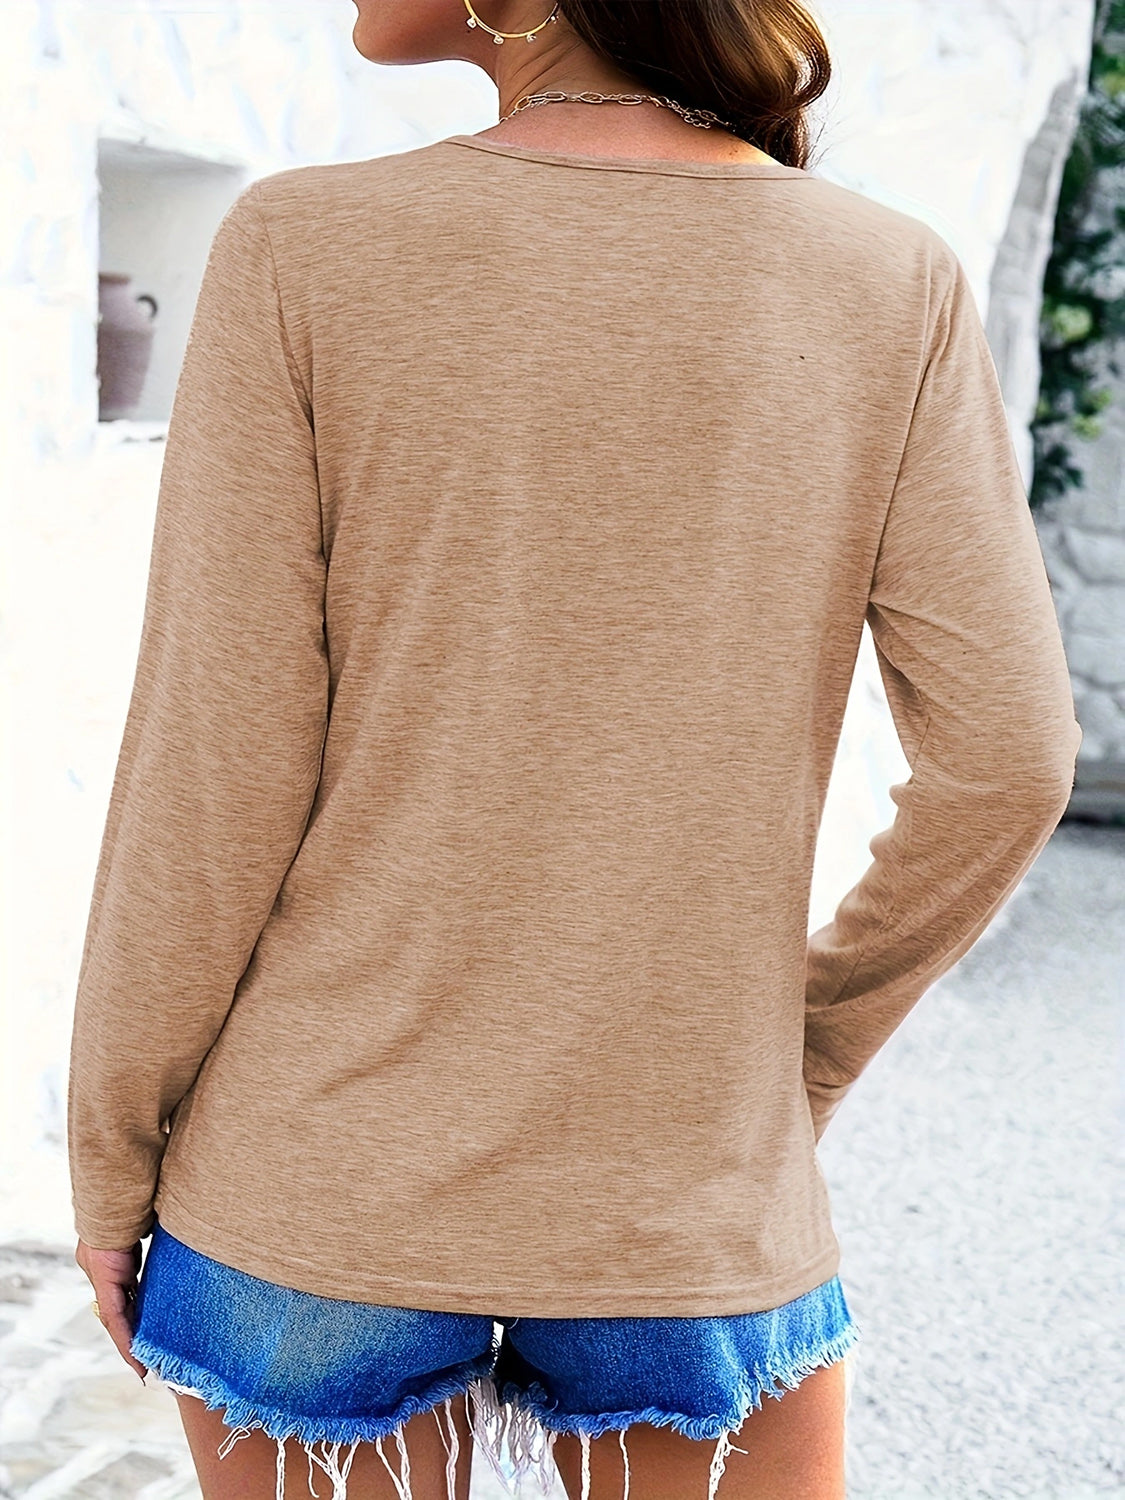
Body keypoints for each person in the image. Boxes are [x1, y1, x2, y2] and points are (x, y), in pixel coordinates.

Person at [66, 2, 1083, 1497]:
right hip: (687, 1188)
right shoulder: (887, 277)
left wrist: (111, 1147)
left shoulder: (304, 248)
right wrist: (782, 1072)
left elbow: (214, 774)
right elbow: (1010, 760)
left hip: (314, 1185)